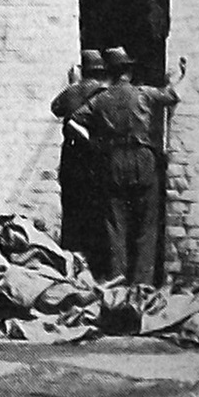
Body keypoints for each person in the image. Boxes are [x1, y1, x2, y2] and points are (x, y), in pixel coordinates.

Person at [71, 47, 182, 286]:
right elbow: (172, 96)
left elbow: (73, 120)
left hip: (113, 160)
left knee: (115, 225)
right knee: (146, 225)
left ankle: (116, 285)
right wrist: (176, 77)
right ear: (128, 72)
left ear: (109, 73)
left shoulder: (99, 99)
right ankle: (142, 286)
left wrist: (94, 143)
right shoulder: (143, 93)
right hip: (143, 159)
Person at [49, 49, 110, 272]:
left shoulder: (73, 91)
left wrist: (72, 86)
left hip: (71, 160)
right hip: (95, 159)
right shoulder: (104, 92)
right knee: (95, 212)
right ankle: (95, 264)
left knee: (72, 212)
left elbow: (55, 109)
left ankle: (72, 261)